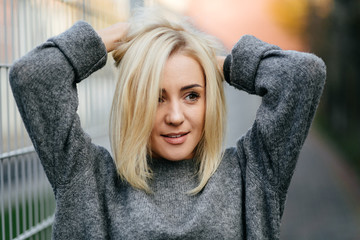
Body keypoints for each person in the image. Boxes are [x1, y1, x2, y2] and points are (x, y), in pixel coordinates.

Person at [9, 8, 326, 240]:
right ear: (134, 103)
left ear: (208, 100)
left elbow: (303, 75)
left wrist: (215, 62)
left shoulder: (251, 175)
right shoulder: (90, 181)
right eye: (156, 97)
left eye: (191, 95)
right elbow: (33, 76)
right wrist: (125, 33)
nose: (175, 116)